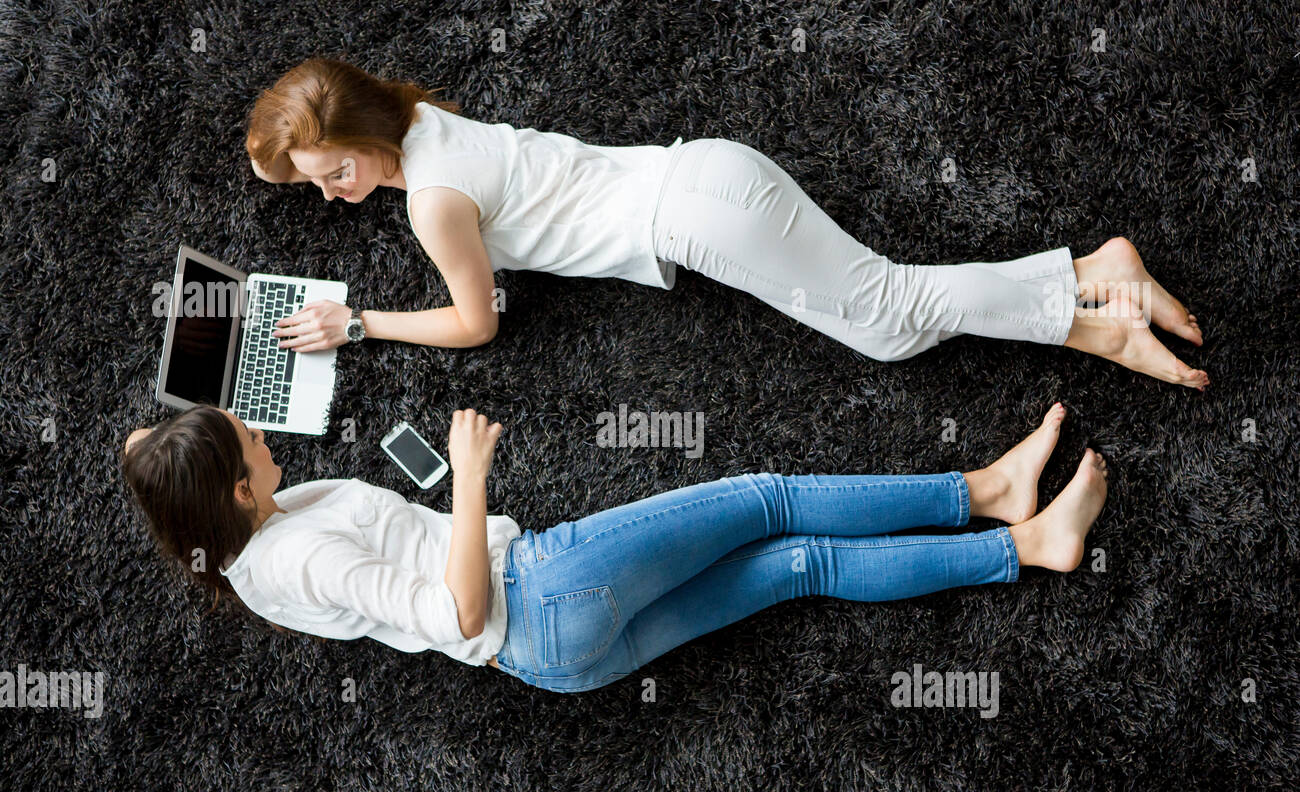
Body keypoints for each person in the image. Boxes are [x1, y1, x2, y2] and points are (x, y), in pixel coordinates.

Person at [244, 57, 1207, 389]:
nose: (333, 195)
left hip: (701, 222)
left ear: (364, 136)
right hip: (704, 172)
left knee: (887, 315)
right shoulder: (421, 123)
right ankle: (1090, 307)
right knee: (884, 319)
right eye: (318, 185)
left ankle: (1096, 283)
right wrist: (287, 153)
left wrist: (359, 323)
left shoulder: (433, 206)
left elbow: (475, 322)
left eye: (334, 174)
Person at [121, 402, 1109, 693]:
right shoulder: (304, 558)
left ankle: (1022, 546)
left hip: (552, 658)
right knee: (769, 500)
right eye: (242, 435)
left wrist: (162, 448)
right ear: (239, 490)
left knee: (801, 567)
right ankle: (983, 489)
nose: (255, 425)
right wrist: (467, 481)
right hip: (538, 587)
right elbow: (455, 610)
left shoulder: (247, 546)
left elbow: (150, 458)